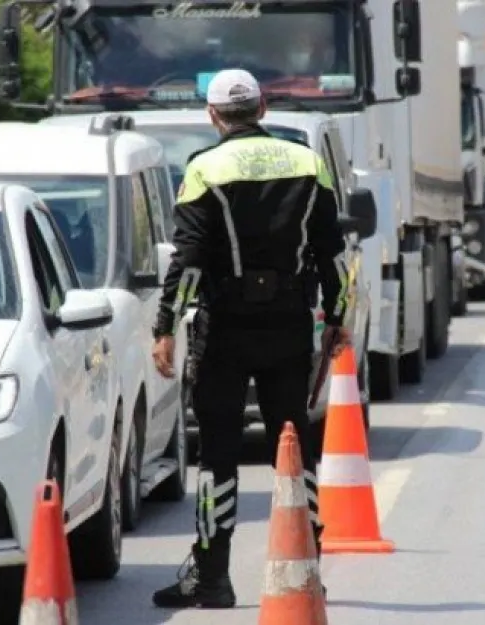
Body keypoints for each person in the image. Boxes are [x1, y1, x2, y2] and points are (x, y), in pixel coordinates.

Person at [149, 68, 351, 610]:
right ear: (262, 108)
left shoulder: (204, 169)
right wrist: (336, 316)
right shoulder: (308, 163)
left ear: (213, 116)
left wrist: (165, 326)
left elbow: (188, 261)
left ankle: (212, 578)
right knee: (296, 451)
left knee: (217, 453)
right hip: (289, 324)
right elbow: (333, 253)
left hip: (225, 329)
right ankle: (306, 571)